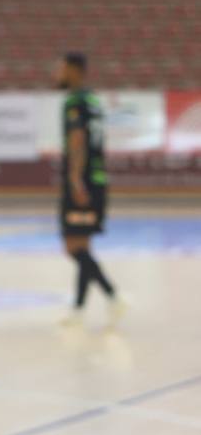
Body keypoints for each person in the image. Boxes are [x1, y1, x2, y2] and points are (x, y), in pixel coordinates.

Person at [56, 53, 123, 327]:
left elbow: (78, 139)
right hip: (97, 178)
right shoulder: (93, 100)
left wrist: (74, 179)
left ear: (74, 70)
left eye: (60, 68)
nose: (57, 73)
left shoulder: (74, 101)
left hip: (81, 181)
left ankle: (114, 297)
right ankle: (79, 309)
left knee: (73, 247)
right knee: (82, 245)